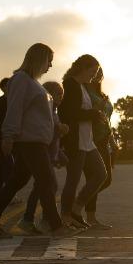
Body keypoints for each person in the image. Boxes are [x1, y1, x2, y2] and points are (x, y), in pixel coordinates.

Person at [0, 44, 71, 236]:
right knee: (46, 181)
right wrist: (8, 136)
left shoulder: (33, 82)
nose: (50, 66)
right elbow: (14, 109)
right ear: (39, 59)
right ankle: (56, 226)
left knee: (17, 181)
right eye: (49, 61)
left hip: (36, 141)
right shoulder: (21, 79)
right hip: (30, 141)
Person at [58, 55, 110, 229]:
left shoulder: (83, 86)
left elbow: (83, 111)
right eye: (92, 71)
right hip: (75, 140)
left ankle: (76, 210)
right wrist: (94, 114)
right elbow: (68, 114)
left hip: (88, 140)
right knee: (72, 180)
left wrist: (96, 115)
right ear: (82, 68)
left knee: (101, 175)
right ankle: (65, 218)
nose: (94, 75)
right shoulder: (69, 85)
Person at [18, 81, 68, 233]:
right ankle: (43, 220)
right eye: (58, 94)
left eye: (62, 94)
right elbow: (46, 133)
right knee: (48, 186)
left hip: (49, 155)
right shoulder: (47, 111)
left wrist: (59, 154)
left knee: (42, 187)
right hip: (42, 154)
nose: (61, 97)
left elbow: (54, 139)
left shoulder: (54, 112)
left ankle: (32, 219)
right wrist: (59, 128)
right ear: (50, 94)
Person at [82, 67, 115, 229]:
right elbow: (87, 114)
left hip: (106, 140)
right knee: (98, 178)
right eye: (94, 73)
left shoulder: (101, 94)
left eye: (100, 73)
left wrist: (113, 141)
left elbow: (107, 119)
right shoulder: (85, 92)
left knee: (106, 179)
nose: (97, 77)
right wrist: (100, 107)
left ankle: (80, 206)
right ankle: (87, 215)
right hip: (92, 139)